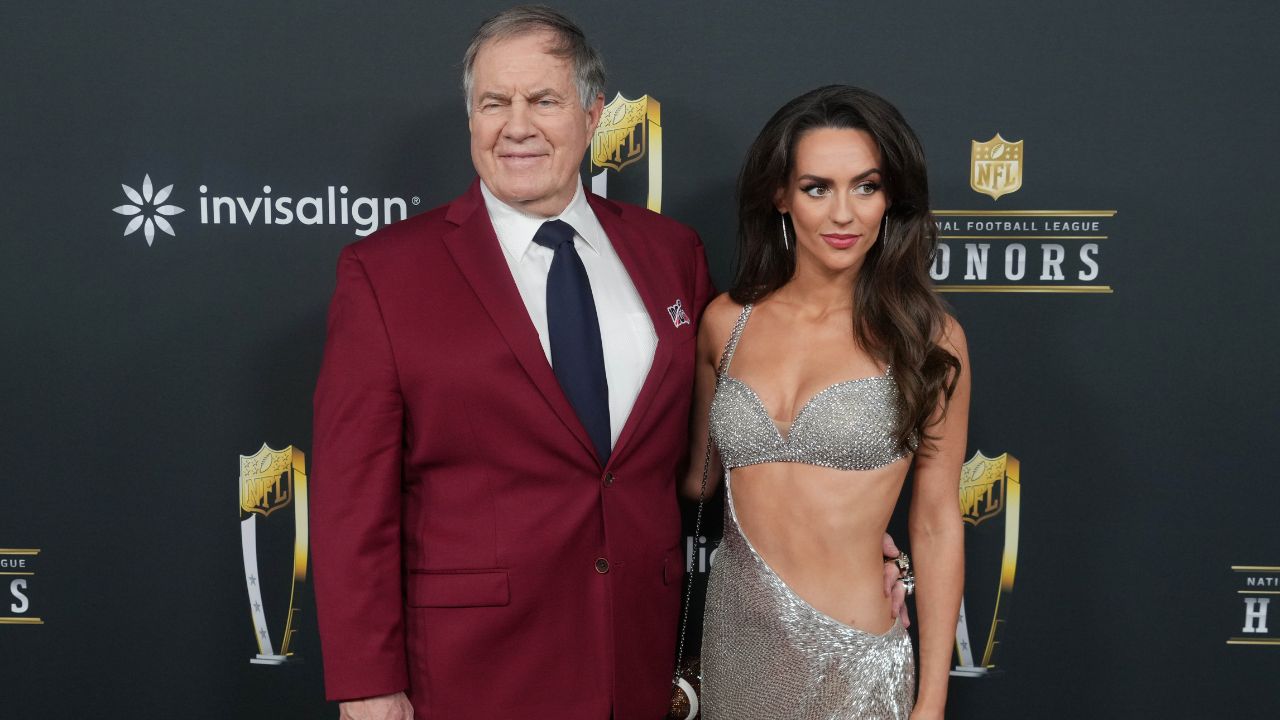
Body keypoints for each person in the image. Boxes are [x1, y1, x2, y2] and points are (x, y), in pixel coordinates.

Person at [309, 7, 715, 719]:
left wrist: (848, 547)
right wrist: (367, 682)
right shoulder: (385, 272)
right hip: (473, 671)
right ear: (471, 120)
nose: (516, 125)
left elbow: (720, 446)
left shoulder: (671, 253)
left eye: (544, 100)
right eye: (494, 102)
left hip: (638, 661)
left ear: (592, 117)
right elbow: (350, 500)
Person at [687, 85, 969, 720]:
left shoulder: (927, 338)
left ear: (890, 196)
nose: (844, 214)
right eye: (817, 188)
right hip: (737, 649)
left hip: (854, 660)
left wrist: (932, 703)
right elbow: (696, 480)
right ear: (780, 196)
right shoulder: (724, 323)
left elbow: (934, 522)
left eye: (865, 187)